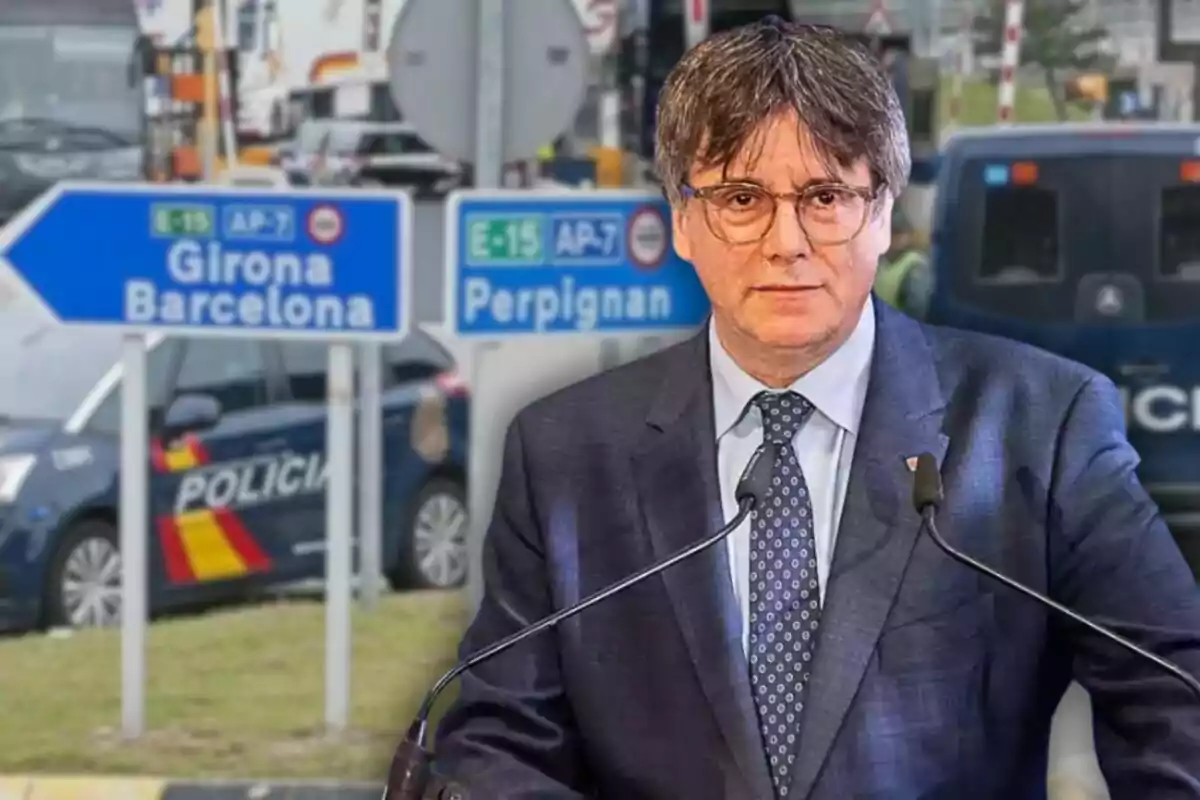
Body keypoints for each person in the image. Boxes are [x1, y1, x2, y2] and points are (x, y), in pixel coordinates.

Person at [425, 17, 1200, 799]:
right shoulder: (565, 450)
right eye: (740, 197)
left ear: (885, 212)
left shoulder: (1040, 423)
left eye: (825, 195)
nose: (785, 239)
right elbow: (500, 739)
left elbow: (1178, 692)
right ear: (682, 218)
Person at [874, 209, 931, 318]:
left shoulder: (915, 267)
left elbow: (915, 313)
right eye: (891, 234)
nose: (895, 241)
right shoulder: (881, 262)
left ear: (908, 237)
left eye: (899, 235)